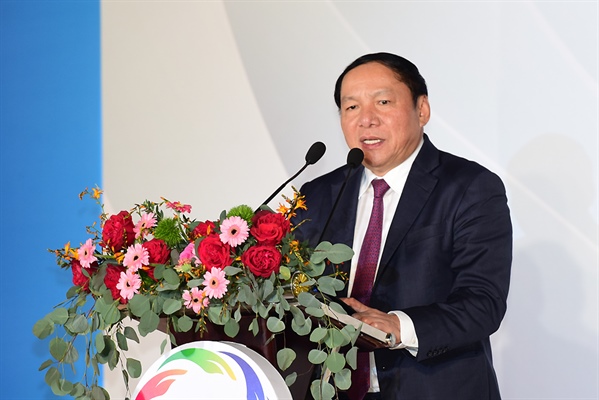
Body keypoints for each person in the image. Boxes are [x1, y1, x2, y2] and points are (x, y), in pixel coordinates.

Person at [294, 52, 512, 400]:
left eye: (383, 102)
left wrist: (399, 326)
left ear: (421, 110)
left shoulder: (469, 186)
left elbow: (483, 303)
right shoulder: (318, 194)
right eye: (351, 107)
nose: (366, 119)